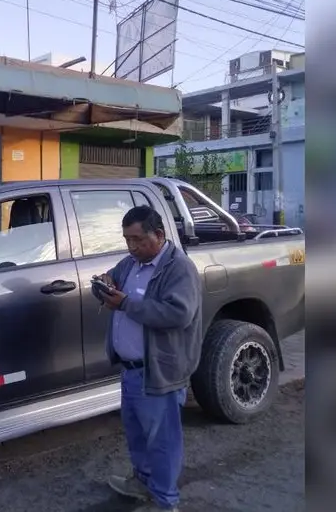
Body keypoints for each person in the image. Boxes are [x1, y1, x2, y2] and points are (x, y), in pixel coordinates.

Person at [94, 205, 203, 512]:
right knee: (137, 434)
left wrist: (126, 303)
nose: (132, 247)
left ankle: (166, 502)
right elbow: (110, 286)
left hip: (158, 371)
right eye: (127, 240)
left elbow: (178, 314)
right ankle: (142, 483)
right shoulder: (131, 263)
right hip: (130, 371)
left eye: (138, 240)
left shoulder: (178, 268)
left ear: (159, 235)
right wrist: (102, 284)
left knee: (162, 441)